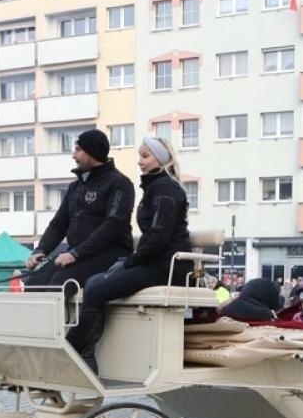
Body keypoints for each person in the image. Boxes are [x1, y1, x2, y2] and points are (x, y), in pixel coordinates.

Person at [66, 135, 191, 372]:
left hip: (169, 267)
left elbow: (158, 236)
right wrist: (130, 261)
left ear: (161, 159)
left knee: (97, 287)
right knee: (94, 283)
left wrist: (129, 262)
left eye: (145, 156)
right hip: (157, 262)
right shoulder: (156, 187)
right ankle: (83, 350)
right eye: (139, 156)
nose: (140, 162)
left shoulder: (165, 189)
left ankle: (78, 350)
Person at [22, 129, 134, 288]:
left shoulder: (119, 183)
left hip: (109, 254)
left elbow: (113, 226)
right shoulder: (75, 187)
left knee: (59, 284)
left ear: (92, 152)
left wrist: (76, 254)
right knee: (34, 283)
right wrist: (40, 251)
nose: (73, 155)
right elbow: (58, 225)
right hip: (77, 253)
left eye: (78, 149)